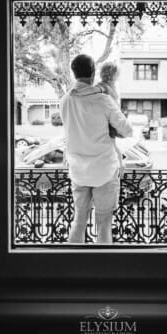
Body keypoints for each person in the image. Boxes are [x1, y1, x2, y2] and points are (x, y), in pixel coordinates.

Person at [60, 54, 133, 244]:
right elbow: (127, 130)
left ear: (74, 73)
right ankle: (103, 269)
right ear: (93, 72)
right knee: (103, 224)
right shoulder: (103, 100)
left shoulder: (65, 101)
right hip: (104, 172)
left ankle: (72, 269)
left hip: (78, 172)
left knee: (79, 221)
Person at [93, 61, 125, 178]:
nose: (118, 76)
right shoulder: (101, 88)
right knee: (112, 150)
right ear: (112, 74)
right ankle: (118, 168)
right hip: (104, 126)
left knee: (114, 149)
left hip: (110, 125)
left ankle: (118, 167)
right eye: (117, 73)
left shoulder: (110, 87)